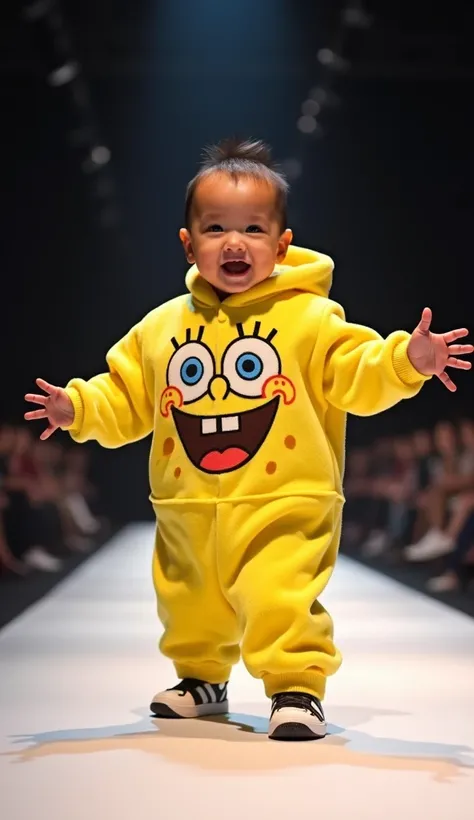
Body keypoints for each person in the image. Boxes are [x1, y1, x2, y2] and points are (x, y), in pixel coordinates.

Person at [24, 139, 473, 741]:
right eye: (215, 228)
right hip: (187, 507)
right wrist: (78, 404)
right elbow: (127, 396)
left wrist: (406, 360)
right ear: (189, 243)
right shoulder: (161, 328)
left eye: (253, 229)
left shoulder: (312, 320)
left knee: (277, 593)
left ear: (281, 245)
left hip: (284, 498)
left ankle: (296, 687)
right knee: (189, 599)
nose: (234, 243)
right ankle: (202, 679)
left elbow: (356, 374)